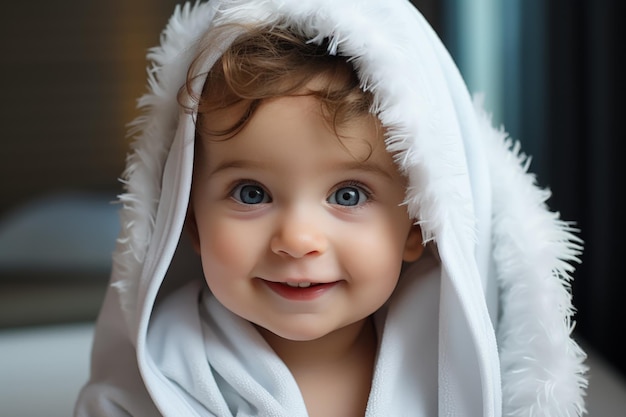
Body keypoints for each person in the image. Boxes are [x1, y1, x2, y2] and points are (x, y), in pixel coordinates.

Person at [74, 1, 588, 416]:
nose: (297, 239)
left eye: (348, 195)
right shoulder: (159, 375)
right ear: (187, 220)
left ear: (419, 223)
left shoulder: (453, 363)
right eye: (251, 192)